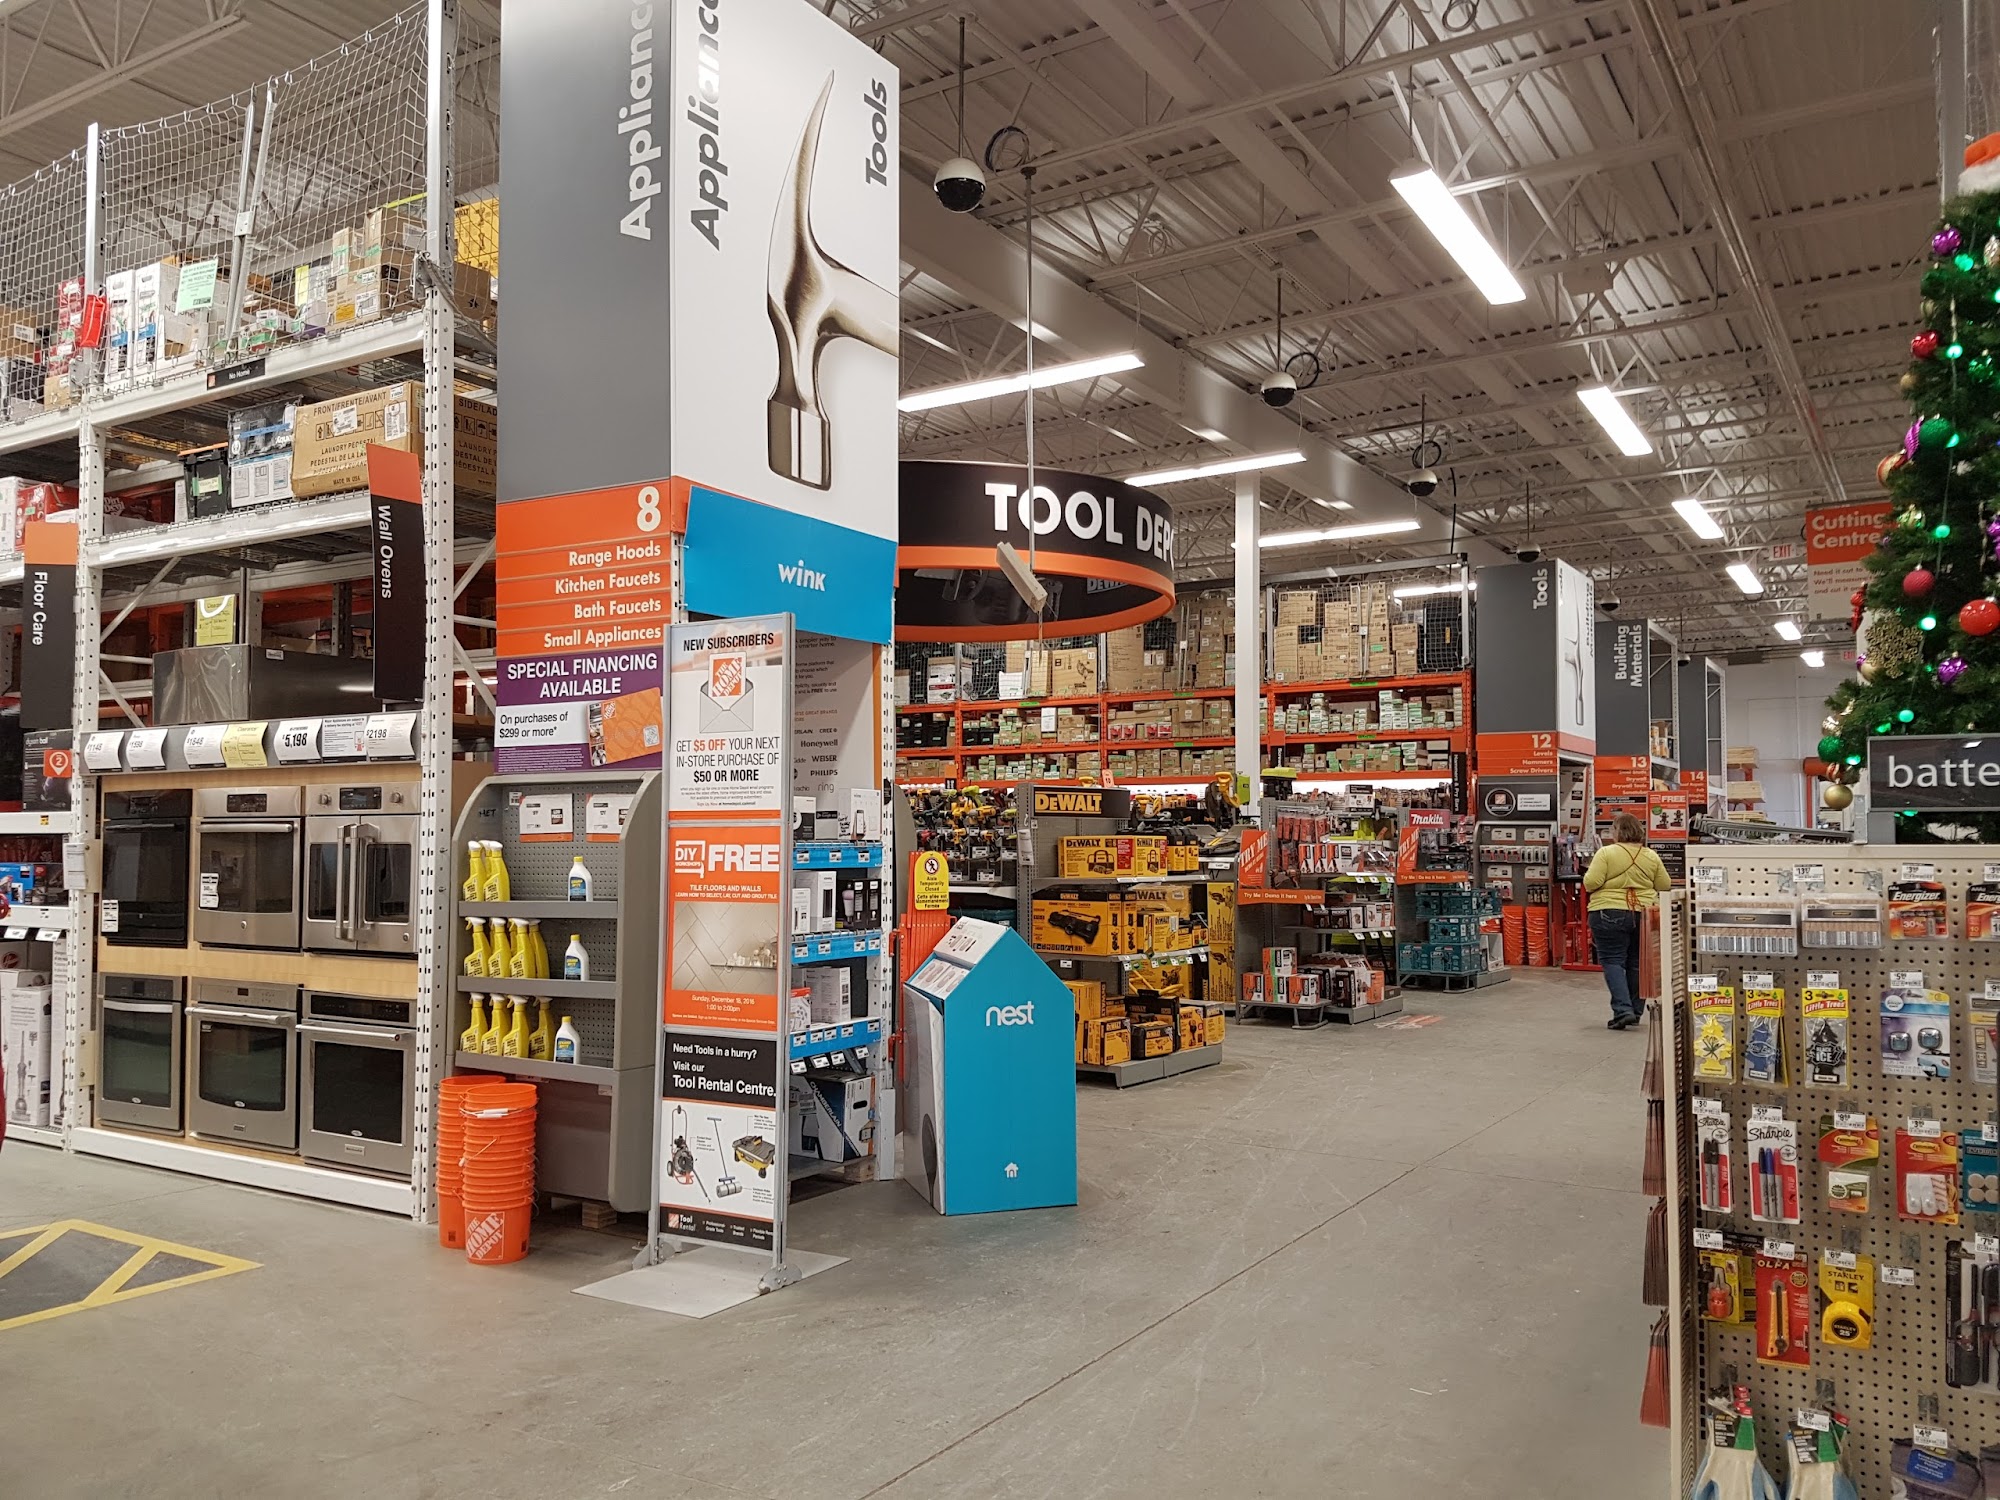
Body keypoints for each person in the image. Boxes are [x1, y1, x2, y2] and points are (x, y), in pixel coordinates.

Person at [1582, 811, 1671, 1030]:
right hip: (1643, 913)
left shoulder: (1606, 853)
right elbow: (1664, 885)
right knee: (1637, 963)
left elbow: (1591, 883)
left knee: (1613, 961)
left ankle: (1623, 1010)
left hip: (1608, 911)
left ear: (1617, 831)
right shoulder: (1651, 856)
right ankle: (1635, 1010)